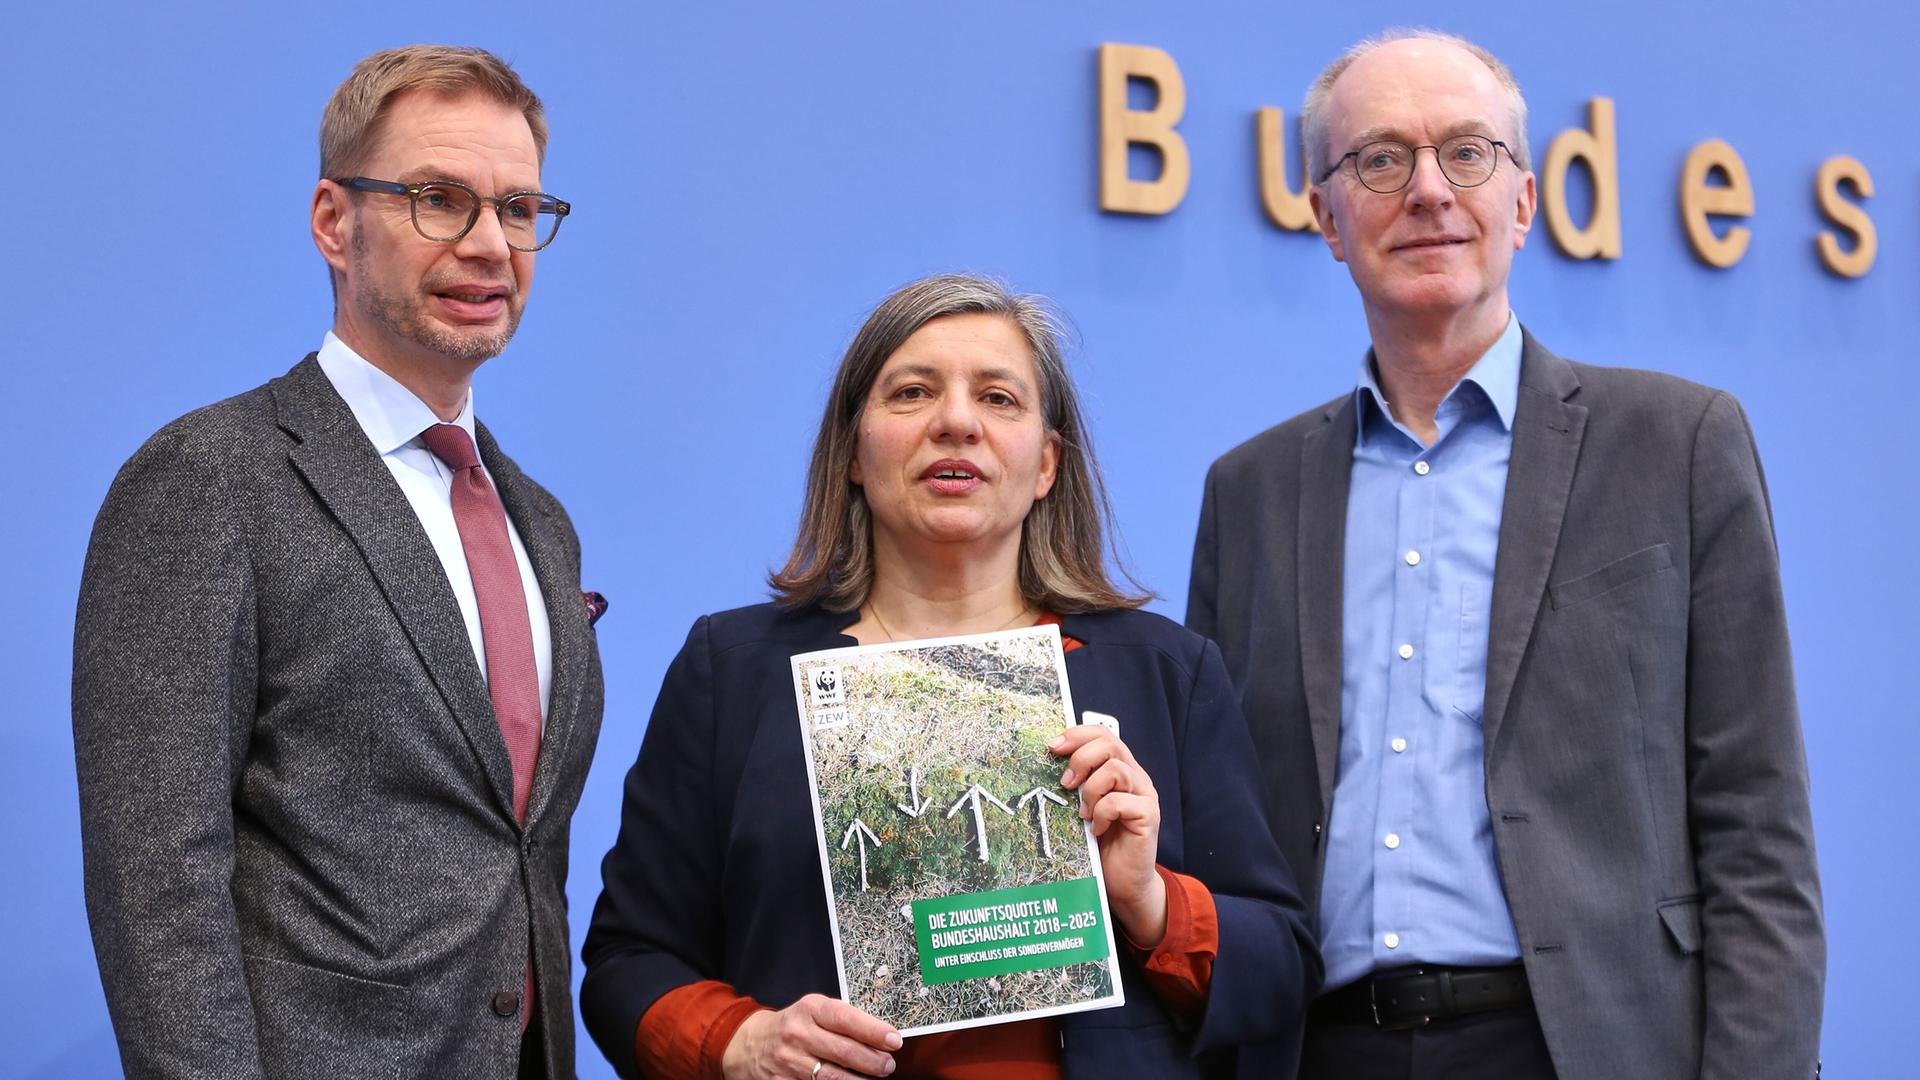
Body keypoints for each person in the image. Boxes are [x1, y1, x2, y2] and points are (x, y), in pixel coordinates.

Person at [1186, 28, 1824, 1080]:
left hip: (1591, 1045)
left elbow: (1759, 828)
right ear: (1327, 219)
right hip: (1320, 1050)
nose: (1429, 191)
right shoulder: (1246, 493)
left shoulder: (1678, 443)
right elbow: (1219, 842)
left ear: (1524, 202)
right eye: (1381, 160)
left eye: (1468, 153)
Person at [581, 274, 1319, 1079]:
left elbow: (1281, 970)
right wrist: (737, 1042)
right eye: (912, 392)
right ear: (855, 453)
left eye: (999, 399)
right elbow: (628, 960)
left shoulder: (1169, 673)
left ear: (1046, 464)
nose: (957, 422)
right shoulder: (734, 671)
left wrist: (1148, 903)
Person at [72, 45, 603, 1080]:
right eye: (439, 199)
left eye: (518, 209)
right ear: (333, 221)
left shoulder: (540, 520)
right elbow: (157, 884)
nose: (490, 244)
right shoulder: (209, 477)